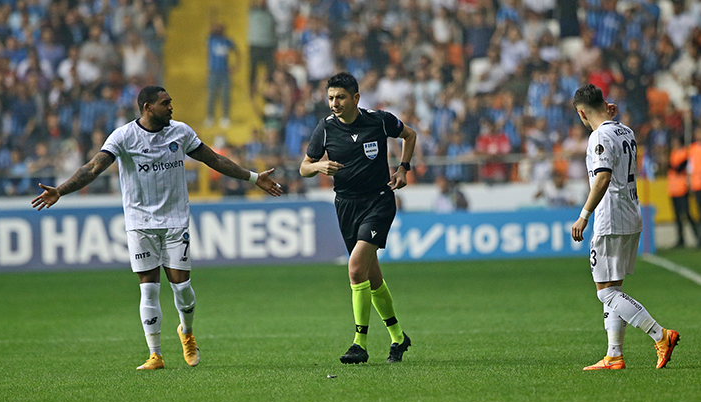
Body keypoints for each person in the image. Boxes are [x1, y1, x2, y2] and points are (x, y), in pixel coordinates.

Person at [33, 86, 283, 370]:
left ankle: (186, 332)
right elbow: (93, 168)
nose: (171, 107)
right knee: (148, 290)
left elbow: (214, 160)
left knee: (183, 288)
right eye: (166, 103)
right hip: (140, 224)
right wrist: (61, 191)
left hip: (175, 221)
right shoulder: (124, 136)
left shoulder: (181, 132)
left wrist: (253, 178)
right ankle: (156, 355)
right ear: (147, 107)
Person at [299, 72, 417, 364]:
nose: (334, 104)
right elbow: (303, 167)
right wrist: (319, 166)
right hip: (346, 206)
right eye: (330, 98)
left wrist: (403, 168)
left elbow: (410, 135)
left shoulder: (379, 120)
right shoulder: (325, 129)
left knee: (354, 269)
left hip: (378, 201)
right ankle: (399, 338)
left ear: (355, 98)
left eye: (339, 97)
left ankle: (359, 344)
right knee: (371, 276)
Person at [570, 84, 679, 371]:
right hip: (631, 212)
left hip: (611, 217)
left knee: (605, 293)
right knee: (614, 287)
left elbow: (603, 178)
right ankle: (614, 355)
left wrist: (584, 215)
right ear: (605, 104)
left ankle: (660, 335)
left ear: (581, 112)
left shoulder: (599, 137)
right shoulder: (624, 130)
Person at [204, 23, 240, 128]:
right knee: (211, 95)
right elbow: (210, 31)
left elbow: (236, 52)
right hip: (213, 72)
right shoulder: (211, 39)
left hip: (224, 73)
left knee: (225, 96)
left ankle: (225, 117)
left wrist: (235, 66)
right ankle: (210, 117)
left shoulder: (227, 41)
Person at [666, 135, 699, 248]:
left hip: (682, 188)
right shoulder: (673, 153)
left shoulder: (685, 153)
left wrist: (672, 166)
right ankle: (681, 239)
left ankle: (698, 236)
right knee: (677, 216)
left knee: (686, 214)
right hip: (673, 189)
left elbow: (679, 168)